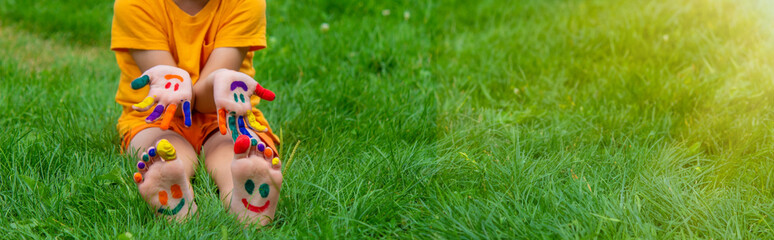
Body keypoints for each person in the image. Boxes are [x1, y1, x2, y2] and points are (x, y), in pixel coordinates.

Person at [110, 0, 282, 226]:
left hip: (221, 112)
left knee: (233, 148)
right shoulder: (135, 4)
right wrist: (203, 82)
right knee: (163, 149)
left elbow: (205, 103)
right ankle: (170, 182)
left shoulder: (245, 3)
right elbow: (176, 100)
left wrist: (217, 81)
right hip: (158, 117)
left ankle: (246, 197)